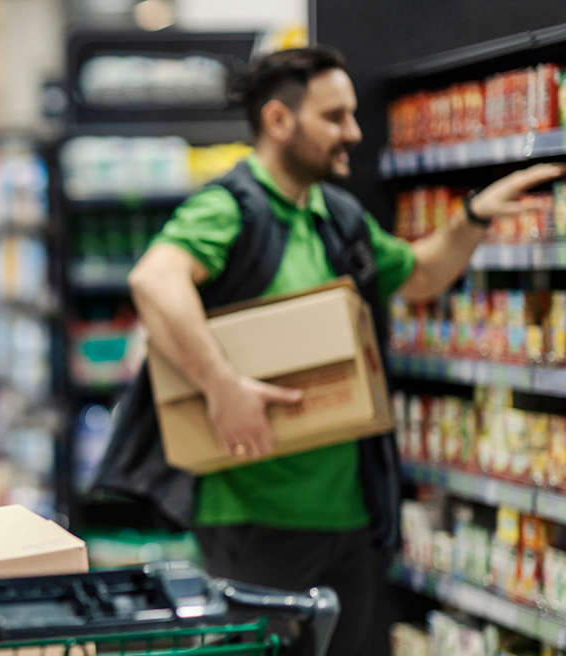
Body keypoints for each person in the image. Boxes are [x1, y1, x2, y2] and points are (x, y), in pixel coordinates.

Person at [128, 46, 563, 655]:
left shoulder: (337, 215)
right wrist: (221, 385)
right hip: (256, 521)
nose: (353, 133)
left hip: (352, 522)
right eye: (335, 117)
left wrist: (472, 216)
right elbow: (154, 279)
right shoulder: (231, 209)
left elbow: (418, 276)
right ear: (279, 121)